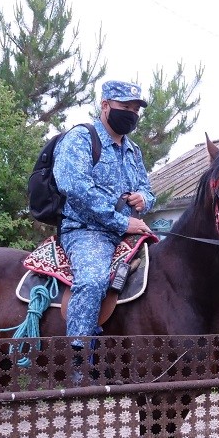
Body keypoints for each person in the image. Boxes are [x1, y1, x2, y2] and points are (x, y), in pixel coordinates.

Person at [55, 79, 156, 374]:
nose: (131, 114)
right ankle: (78, 359)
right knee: (93, 280)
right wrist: (123, 221)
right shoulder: (81, 139)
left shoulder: (133, 151)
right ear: (105, 106)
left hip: (129, 229)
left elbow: (147, 190)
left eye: (136, 109)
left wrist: (143, 199)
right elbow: (75, 188)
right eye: (125, 107)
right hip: (85, 231)